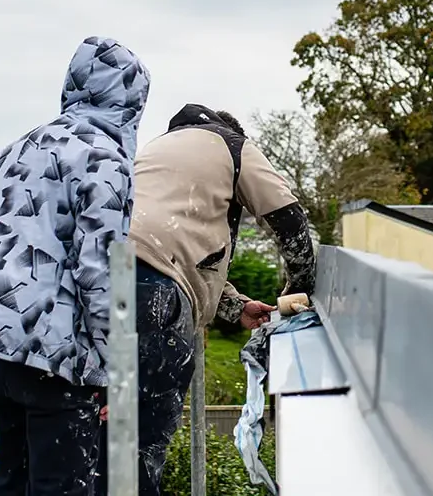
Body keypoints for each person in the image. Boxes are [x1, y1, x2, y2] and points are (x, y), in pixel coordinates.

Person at [95, 103, 316, 495]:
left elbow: (175, 252)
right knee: (141, 446)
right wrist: (299, 293)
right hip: (154, 297)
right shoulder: (232, 146)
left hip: (104, 284)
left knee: (110, 438)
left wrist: (235, 306)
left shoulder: (153, 152)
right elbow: (290, 219)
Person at [0, 36, 150, 495]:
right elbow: (102, 273)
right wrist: (117, 372)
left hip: (3, 345)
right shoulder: (106, 160)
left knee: (13, 482)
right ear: (130, 100)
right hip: (59, 357)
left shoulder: (17, 149)